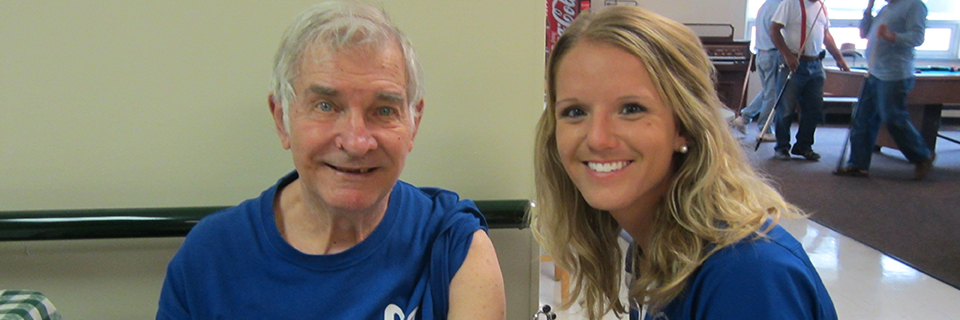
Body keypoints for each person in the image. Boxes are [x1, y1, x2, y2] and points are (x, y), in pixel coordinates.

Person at [156, 2, 506, 319]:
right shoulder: (209, 260)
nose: (356, 142)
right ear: (282, 120)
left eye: (384, 110)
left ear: (413, 123)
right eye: (326, 106)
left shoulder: (452, 247)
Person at [531, 5, 837, 320]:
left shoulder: (747, 274)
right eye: (575, 112)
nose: (597, 139)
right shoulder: (654, 244)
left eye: (631, 109)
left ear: (684, 126)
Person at [835, 0, 935, 179]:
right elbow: (864, 33)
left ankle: (922, 155)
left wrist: (892, 36)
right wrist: (868, 10)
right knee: (862, 119)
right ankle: (858, 164)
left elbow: (917, 38)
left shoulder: (914, 5)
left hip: (894, 74)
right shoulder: (885, 8)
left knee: (893, 117)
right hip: (874, 71)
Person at [770, 0, 850, 161]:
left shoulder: (821, 6)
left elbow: (826, 35)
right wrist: (787, 54)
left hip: (815, 64)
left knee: (814, 109)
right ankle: (782, 147)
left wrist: (839, 57)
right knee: (786, 108)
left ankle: (803, 146)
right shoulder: (790, 3)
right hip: (793, 63)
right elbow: (774, 30)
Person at [731, 0, 785, 142]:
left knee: (768, 91)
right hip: (773, 54)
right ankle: (764, 129)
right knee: (771, 94)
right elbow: (779, 34)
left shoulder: (766, 5)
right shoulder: (780, 7)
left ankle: (745, 117)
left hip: (761, 54)